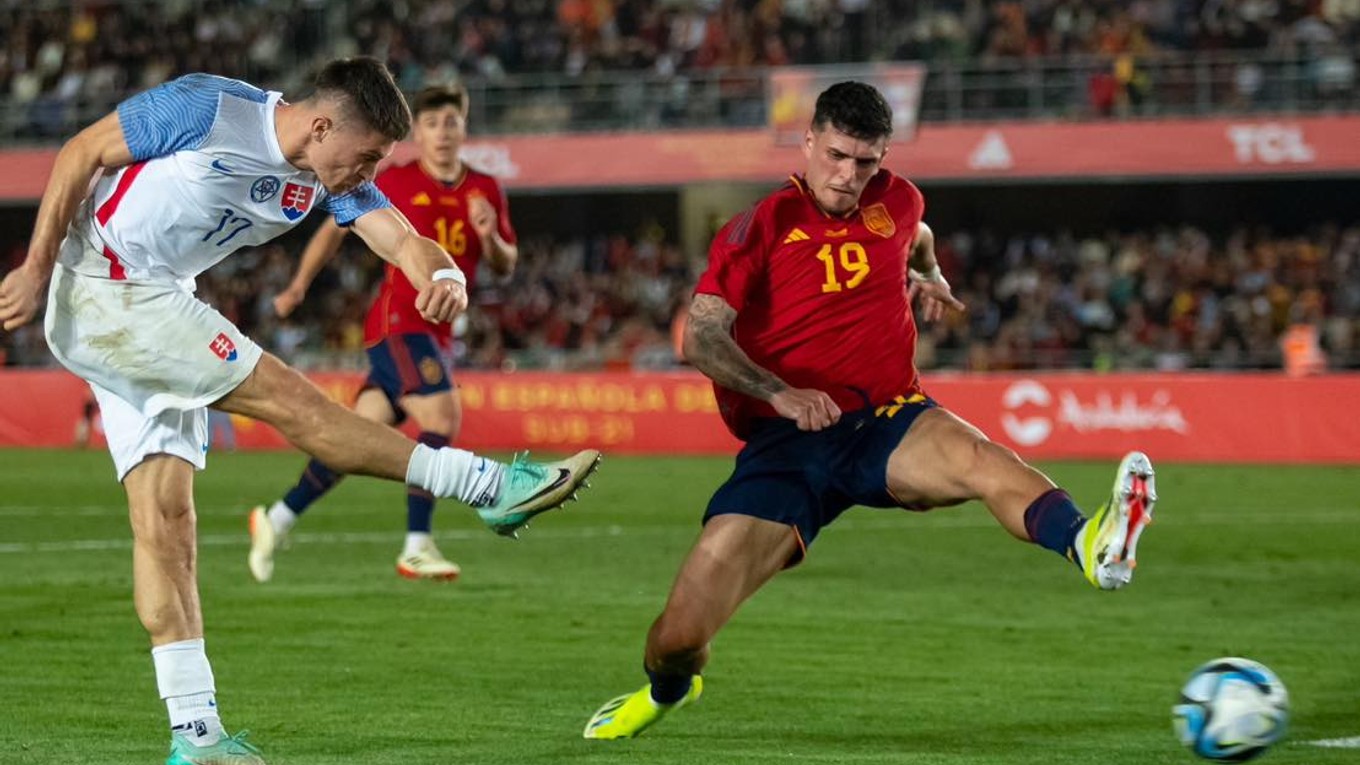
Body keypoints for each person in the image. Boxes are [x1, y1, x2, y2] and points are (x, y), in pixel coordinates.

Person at [0, 58, 599, 765]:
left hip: (149, 294)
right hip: (107, 285)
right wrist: (36, 267)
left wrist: (442, 273)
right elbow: (81, 152)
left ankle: (195, 736)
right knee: (292, 399)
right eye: (367, 154)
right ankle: (489, 488)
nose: (368, 170)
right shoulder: (208, 108)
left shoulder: (326, 174)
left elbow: (399, 237)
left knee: (166, 520)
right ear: (320, 126)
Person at [581, 81, 1156, 740]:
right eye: (836, 155)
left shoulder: (899, 200)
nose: (849, 175)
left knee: (978, 458)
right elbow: (702, 335)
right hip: (786, 444)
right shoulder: (761, 226)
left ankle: (1093, 546)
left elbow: (917, 234)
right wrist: (779, 392)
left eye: (865, 162)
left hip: (889, 416)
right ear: (808, 142)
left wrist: (932, 272)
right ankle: (667, 688)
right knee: (678, 635)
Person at [248, 84, 518, 584]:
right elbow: (336, 225)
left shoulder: (485, 188)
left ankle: (276, 517)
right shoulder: (395, 179)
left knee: (357, 438)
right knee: (442, 413)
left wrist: (490, 238)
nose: (442, 132)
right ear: (418, 132)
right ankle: (417, 544)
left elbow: (505, 264)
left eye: (451, 123)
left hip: (438, 332)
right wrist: (299, 285)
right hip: (399, 320)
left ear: (463, 129)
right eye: (432, 123)